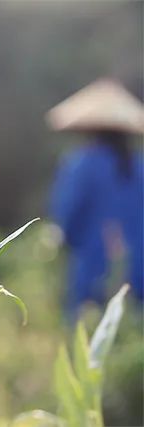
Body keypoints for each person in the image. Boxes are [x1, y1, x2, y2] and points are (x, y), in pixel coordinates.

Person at [47, 79, 144, 319]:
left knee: (88, 341)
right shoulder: (139, 166)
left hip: (92, 266)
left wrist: (66, 242)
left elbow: (66, 217)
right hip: (139, 267)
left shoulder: (80, 164)